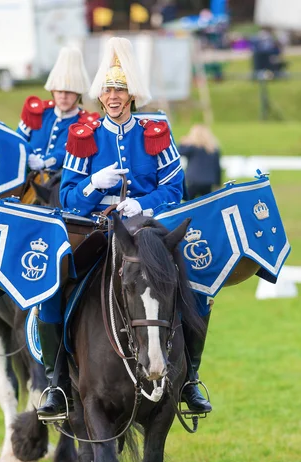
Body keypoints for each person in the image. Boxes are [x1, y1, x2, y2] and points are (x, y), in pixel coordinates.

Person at [36, 36, 211, 419]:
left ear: (131, 95)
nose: (113, 97)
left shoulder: (154, 133)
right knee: (52, 288)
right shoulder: (83, 137)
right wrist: (92, 183)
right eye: (107, 91)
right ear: (100, 97)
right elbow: (67, 197)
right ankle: (56, 383)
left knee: (197, 287)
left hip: (147, 231)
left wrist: (143, 203)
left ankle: (190, 379)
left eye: (120, 90)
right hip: (98, 229)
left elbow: (174, 187)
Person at [0, 46, 95, 329]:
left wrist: (48, 159)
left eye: (69, 91)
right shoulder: (37, 113)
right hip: (21, 184)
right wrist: (23, 154)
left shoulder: (87, 122)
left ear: (78, 92)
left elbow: (74, 154)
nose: (63, 96)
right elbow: (16, 140)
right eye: (59, 90)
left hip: (58, 186)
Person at [178, 124, 221, 200]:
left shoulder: (192, 147)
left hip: (194, 181)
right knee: (207, 203)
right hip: (208, 181)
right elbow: (217, 167)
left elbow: (179, 152)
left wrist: (182, 143)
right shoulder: (213, 149)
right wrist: (218, 183)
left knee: (188, 203)